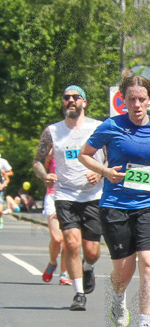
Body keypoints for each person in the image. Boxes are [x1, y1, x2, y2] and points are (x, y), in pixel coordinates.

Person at [78, 75, 150, 327]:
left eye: (142, 99)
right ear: (123, 101)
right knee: (122, 273)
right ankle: (118, 296)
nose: (137, 105)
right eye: (131, 99)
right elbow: (85, 154)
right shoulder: (111, 126)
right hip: (116, 205)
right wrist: (105, 172)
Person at [32, 85, 105, 311]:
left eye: (76, 97)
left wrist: (101, 170)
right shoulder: (52, 131)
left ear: (84, 102)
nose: (70, 100)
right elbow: (37, 161)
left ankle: (88, 267)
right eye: (66, 98)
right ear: (63, 103)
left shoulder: (99, 128)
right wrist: (45, 175)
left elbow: (113, 158)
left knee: (92, 251)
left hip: (94, 194)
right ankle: (79, 294)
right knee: (72, 243)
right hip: (65, 194)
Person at [40, 153, 69, 283]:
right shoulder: (53, 147)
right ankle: (52, 262)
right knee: (57, 238)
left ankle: (64, 274)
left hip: (72, 196)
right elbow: (42, 164)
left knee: (69, 239)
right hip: (53, 195)